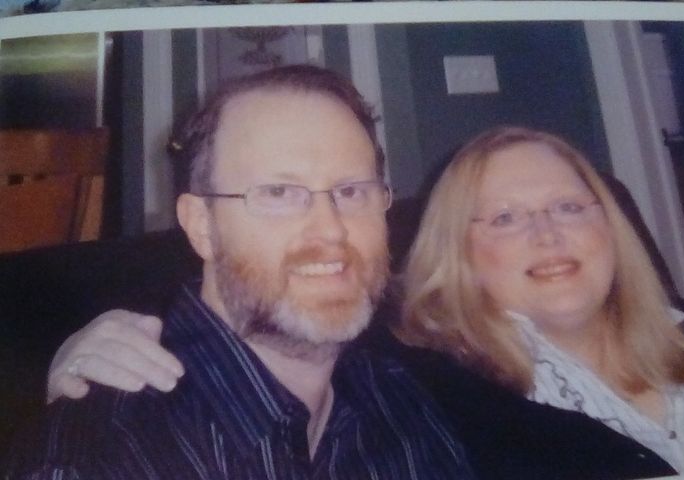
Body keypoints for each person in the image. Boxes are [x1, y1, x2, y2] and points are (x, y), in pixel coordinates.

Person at [38, 126, 684, 478]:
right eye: (506, 218)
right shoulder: (429, 374)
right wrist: (90, 335)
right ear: (457, 252)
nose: (548, 233)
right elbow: (273, 287)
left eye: (570, 206)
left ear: (610, 225)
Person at [3, 65, 475, 479]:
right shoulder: (95, 461)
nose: (331, 229)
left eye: (351, 192)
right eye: (278, 193)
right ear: (202, 227)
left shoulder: (400, 404)